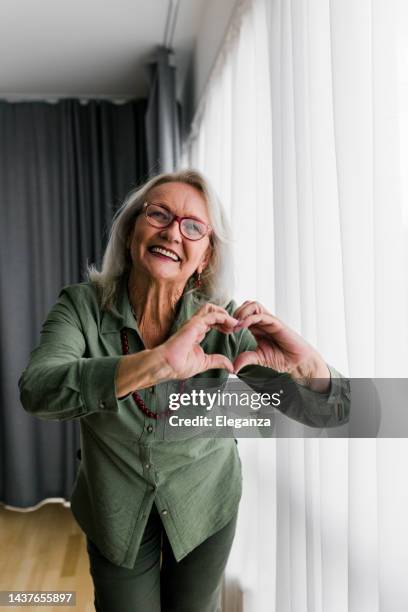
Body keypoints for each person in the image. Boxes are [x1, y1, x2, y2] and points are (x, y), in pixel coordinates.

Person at [18, 169, 350, 612]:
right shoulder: (81, 307)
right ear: (132, 228)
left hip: (204, 502)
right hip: (113, 509)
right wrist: (156, 363)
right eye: (159, 215)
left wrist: (308, 364)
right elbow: (37, 389)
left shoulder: (224, 322)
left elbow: (336, 411)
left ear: (206, 257)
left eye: (193, 227)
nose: (173, 232)